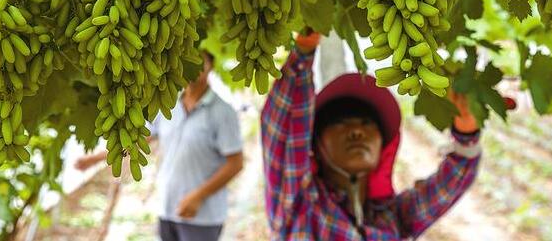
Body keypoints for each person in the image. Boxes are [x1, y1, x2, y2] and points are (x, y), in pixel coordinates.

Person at [261, 32, 481, 240]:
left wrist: (466, 132)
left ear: (383, 147)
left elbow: (451, 181)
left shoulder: (392, 216)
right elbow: (282, 132)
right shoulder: (299, 205)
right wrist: (303, 53)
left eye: (367, 123)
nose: (357, 131)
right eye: (340, 122)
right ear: (315, 144)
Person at [76, 51, 244, 241]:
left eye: (201, 62)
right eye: (189, 60)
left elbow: (236, 164)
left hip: (202, 216)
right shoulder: (168, 105)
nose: (194, 67)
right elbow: (135, 141)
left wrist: (198, 196)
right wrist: (94, 159)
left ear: (211, 67)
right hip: (168, 208)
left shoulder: (223, 112)